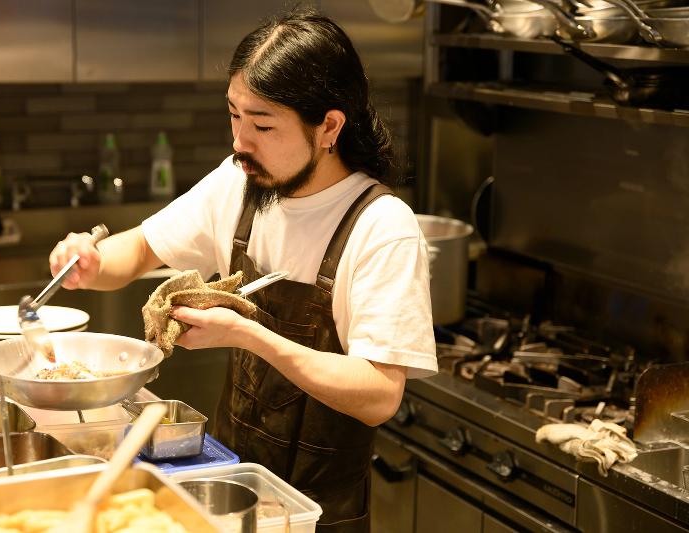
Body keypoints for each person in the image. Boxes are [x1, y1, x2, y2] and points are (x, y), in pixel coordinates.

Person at [49, 8, 436, 532]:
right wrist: (91, 262)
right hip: (225, 491)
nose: (239, 141)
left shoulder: (382, 227)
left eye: (262, 124)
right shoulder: (241, 183)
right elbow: (139, 250)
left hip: (319, 516)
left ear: (329, 127)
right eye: (234, 114)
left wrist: (249, 335)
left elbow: (378, 394)